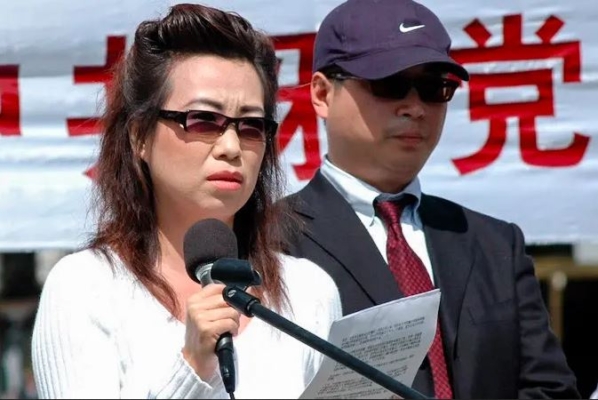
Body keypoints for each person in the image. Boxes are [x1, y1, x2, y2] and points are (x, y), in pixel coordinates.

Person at [31, 3, 342, 399]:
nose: (230, 147)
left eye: (251, 126)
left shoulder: (308, 290)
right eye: (203, 120)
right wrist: (193, 364)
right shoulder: (84, 287)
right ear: (139, 137)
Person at [284, 0, 580, 398]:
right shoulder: (269, 240)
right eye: (388, 83)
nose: (415, 107)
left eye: (434, 88)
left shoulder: (495, 243)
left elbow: (551, 389)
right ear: (321, 94)